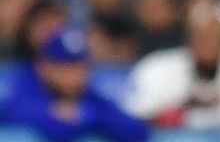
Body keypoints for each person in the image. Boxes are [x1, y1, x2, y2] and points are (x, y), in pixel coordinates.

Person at [124, 0, 220, 129]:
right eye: (203, 36)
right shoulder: (156, 68)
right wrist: (180, 107)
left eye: (217, 37)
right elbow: (133, 117)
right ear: (190, 37)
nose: (209, 44)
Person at [0, 25, 149, 142]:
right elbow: (59, 130)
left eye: (79, 66)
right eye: (65, 66)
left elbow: (136, 130)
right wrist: (52, 115)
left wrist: (84, 113)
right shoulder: (25, 87)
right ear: (44, 66)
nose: (74, 75)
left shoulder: (89, 97)